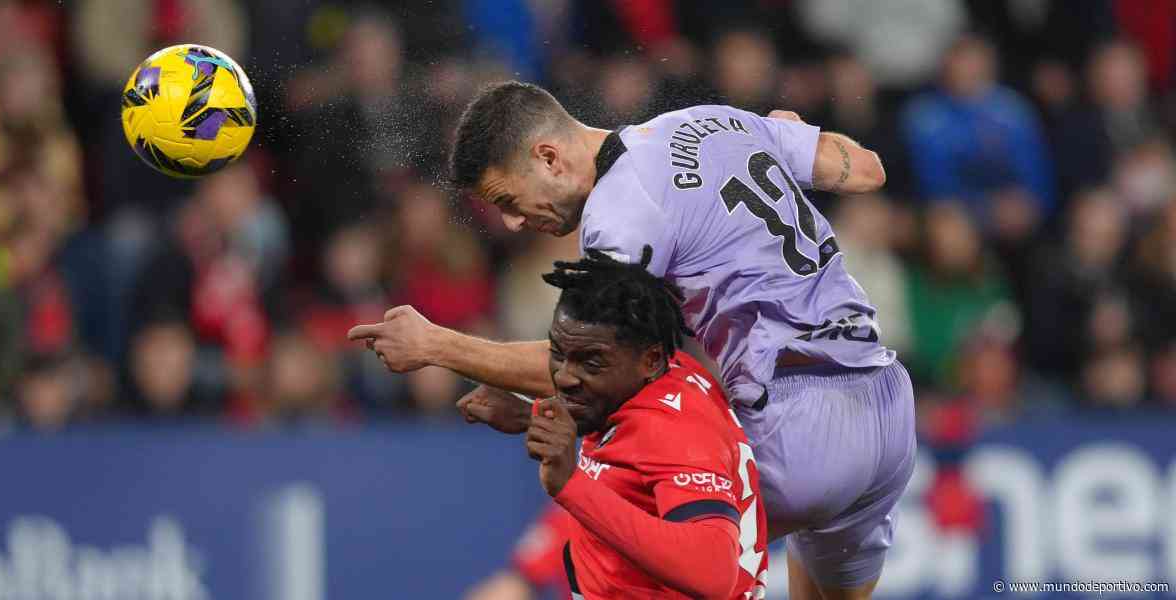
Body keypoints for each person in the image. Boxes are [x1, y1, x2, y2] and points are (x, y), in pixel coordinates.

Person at [348, 81, 916, 599]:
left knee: (607, 498)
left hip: (796, 430)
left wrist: (436, 347)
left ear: (547, 157)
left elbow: (597, 371)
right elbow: (865, 169)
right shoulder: (713, 120)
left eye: (506, 201)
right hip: (886, 409)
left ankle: (520, 581)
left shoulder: (619, 217)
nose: (513, 224)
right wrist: (780, 130)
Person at [462, 248, 768, 599]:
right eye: (558, 353)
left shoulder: (676, 431)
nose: (563, 378)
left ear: (650, 359)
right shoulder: (655, 376)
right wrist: (530, 412)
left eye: (591, 363)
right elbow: (632, 461)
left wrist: (570, 484)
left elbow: (713, 574)